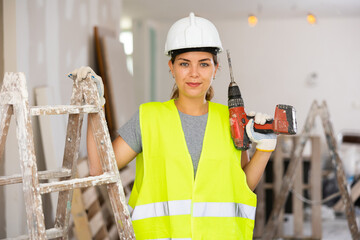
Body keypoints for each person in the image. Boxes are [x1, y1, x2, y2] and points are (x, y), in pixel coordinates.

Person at [74, 12, 276, 240]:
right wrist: (95, 108)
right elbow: (98, 168)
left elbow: (242, 184)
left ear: (215, 68)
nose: (194, 73)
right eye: (184, 64)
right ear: (171, 67)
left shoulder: (230, 119)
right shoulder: (148, 118)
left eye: (203, 64)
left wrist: (265, 148)